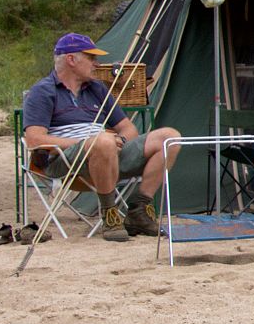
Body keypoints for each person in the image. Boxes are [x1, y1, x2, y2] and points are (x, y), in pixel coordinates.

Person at [21, 32, 180, 240]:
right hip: (66, 161)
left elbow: (128, 128)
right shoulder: (43, 92)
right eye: (91, 58)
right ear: (71, 59)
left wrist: (120, 142)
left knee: (169, 137)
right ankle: (110, 214)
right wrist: (88, 143)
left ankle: (139, 209)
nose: (96, 64)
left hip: (108, 153)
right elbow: (35, 140)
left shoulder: (96, 88)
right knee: (103, 140)